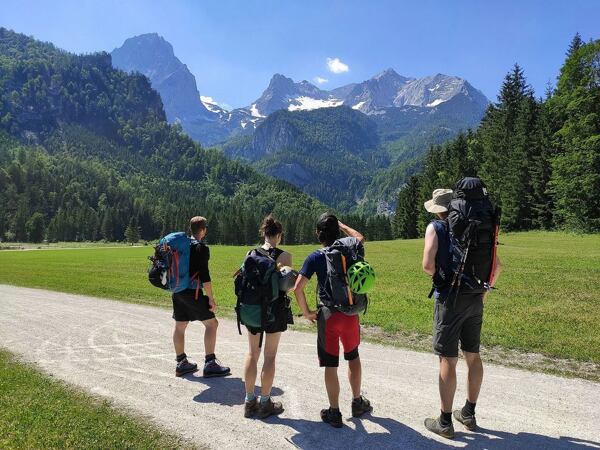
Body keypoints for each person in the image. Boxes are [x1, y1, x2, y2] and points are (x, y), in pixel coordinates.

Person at [422, 188, 501, 439]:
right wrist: (483, 291)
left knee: (448, 359)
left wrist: (442, 275)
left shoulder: (436, 227)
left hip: (450, 299)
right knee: (473, 355)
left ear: (438, 209)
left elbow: (427, 266)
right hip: (476, 297)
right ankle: (468, 412)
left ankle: (445, 421)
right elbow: (497, 266)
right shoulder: (476, 227)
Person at [293, 213, 372, 428]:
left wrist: (307, 312)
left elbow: (298, 288)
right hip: (351, 314)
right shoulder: (351, 248)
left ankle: (334, 412)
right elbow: (360, 237)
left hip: (328, 316)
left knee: (330, 364)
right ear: (337, 232)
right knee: (353, 357)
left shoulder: (315, 257)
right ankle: (357, 402)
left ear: (318, 234)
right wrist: (343, 226)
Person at [243, 216, 294, 419]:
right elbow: (286, 288)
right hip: (275, 312)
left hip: (253, 311)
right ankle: (265, 403)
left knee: (252, 354)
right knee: (270, 356)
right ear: (279, 235)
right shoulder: (286, 256)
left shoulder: (250, 254)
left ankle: (249, 402)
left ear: (263, 233)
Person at [172, 216, 230, 378]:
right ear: (203, 230)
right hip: (193, 292)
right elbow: (205, 276)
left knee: (180, 325)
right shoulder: (201, 248)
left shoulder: (182, 246)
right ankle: (210, 364)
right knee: (212, 324)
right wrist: (211, 298)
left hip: (177, 291)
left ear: (191, 229)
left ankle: (181, 363)